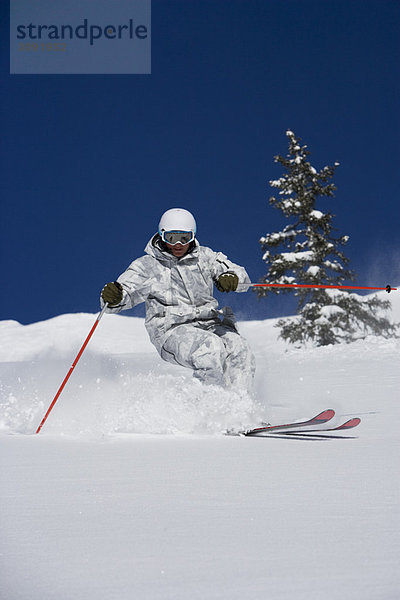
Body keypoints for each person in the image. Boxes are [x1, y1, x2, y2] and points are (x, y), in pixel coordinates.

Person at [101, 208, 255, 393]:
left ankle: (240, 408)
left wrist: (231, 278)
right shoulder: (147, 266)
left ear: (193, 236)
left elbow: (240, 276)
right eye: (172, 238)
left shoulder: (205, 258)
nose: (178, 244)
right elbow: (122, 295)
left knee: (239, 347)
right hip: (171, 331)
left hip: (211, 324)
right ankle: (210, 408)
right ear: (161, 235)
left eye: (185, 237)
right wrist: (116, 296)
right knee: (210, 349)